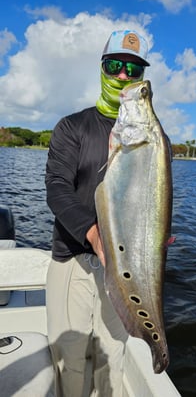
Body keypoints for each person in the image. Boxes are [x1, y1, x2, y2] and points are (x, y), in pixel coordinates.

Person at [45, 30, 150, 397]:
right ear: (102, 67)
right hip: (73, 256)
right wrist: (91, 232)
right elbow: (57, 189)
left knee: (112, 354)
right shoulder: (72, 127)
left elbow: (150, 201)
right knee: (70, 359)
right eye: (115, 65)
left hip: (123, 270)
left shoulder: (154, 139)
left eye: (133, 70)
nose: (123, 76)